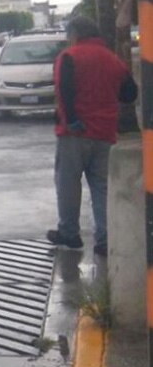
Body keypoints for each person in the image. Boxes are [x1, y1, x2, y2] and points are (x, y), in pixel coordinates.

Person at [49, 16, 138, 257]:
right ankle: (104, 239)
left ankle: (69, 233)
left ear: (76, 34)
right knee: (101, 187)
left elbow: (65, 90)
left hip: (73, 133)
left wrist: (73, 120)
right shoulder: (112, 59)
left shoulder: (68, 57)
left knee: (68, 184)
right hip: (104, 132)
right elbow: (130, 93)